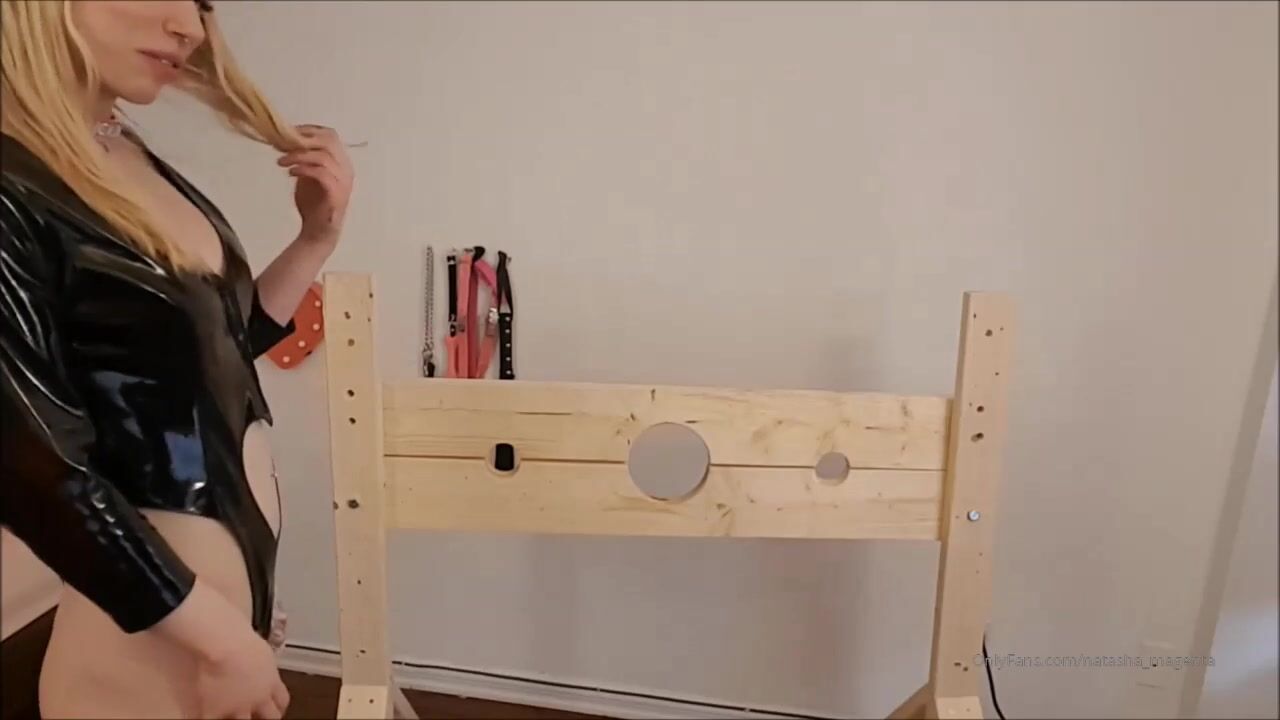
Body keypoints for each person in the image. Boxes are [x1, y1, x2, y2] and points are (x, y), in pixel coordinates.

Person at [0, 1, 353, 717]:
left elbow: (215, 355)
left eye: (203, 3)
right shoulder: (13, 184)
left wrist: (316, 238)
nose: (191, 27)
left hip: (200, 623)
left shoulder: (120, 148)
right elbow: (31, 467)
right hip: (152, 640)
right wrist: (217, 637)